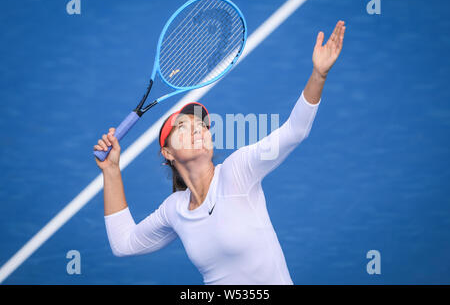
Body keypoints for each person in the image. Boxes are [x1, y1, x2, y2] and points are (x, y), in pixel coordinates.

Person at [94, 21, 346, 284]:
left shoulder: (237, 171)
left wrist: (319, 74)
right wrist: (111, 170)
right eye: (184, 126)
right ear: (167, 153)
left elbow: (296, 130)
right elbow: (124, 244)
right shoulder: (174, 210)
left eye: (201, 126)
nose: (198, 130)